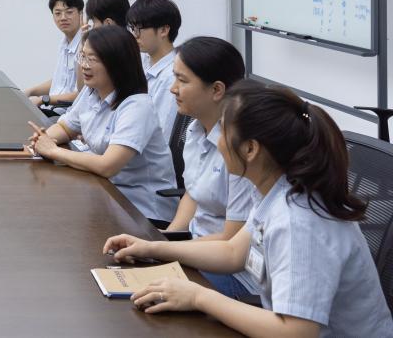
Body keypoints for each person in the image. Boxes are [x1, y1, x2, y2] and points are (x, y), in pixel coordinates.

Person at [103, 81, 393, 338]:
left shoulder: (298, 222)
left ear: (251, 149)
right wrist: (154, 247)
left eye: (223, 131)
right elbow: (233, 252)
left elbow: (296, 332)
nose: (218, 141)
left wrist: (199, 298)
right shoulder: (277, 190)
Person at [28, 25, 177, 223]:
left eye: (93, 59)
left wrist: (53, 151)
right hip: (108, 193)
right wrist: (45, 138)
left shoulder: (137, 106)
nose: (84, 65)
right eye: (83, 56)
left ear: (117, 63)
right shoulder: (91, 91)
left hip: (142, 210)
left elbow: (108, 166)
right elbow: (65, 127)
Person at [163, 37, 257, 298]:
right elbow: (192, 194)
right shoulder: (195, 129)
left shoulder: (241, 149)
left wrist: (167, 251)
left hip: (235, 274)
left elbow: (231, 240)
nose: (173, 88)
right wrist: (169, 237)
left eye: (182, 80)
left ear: (216, 90)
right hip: (197, 249)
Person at [127, 0, 182, 139]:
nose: (134, 35)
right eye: (132, 28)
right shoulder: (145, 62)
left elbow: (162, 134)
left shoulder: (171, 77)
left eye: (139, 29)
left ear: (163, 30)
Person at [25, 0, 84, 109]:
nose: (63, 18)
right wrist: (30, 91)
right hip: (54, 109)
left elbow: (82, 93)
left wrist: (43, 100)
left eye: (69, 12)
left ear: (81, 13)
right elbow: (60, 82)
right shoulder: (64, 44)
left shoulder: (86, 45)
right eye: (58, 13)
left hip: (69, 113)